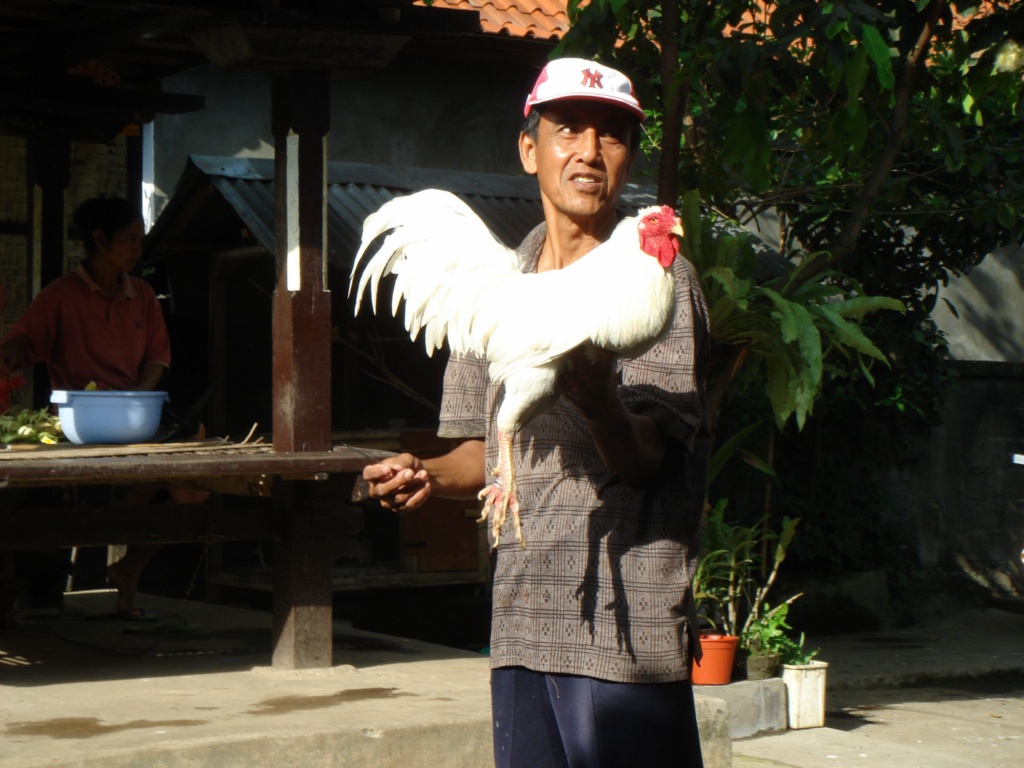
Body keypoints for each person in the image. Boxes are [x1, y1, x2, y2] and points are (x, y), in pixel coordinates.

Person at [361, 58, 711, 767]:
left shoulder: (658, 279)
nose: (590, 151)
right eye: (569, 129)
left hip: (625, 630)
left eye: (612, 135)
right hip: (522, 622)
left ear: (629, 158)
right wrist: (426, 473)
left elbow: (652, 457)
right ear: (530, 149)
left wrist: (600, 405)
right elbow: (483, 451)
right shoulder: (495, 284)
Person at [0, 196, 203, 620]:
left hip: (135, 417)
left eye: (139, 240)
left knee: (192, 491)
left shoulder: (142, 295)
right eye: (129, 239)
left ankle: (131, 564)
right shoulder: (60, 295)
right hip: (79, 423)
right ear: (99, 240)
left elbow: (158, 358)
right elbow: (25, 342)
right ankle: (114, 538)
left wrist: (138, 394)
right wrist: (10, 354)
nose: (137, 249)